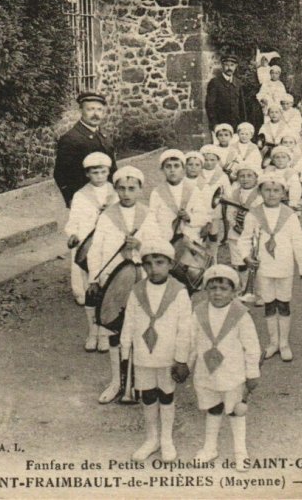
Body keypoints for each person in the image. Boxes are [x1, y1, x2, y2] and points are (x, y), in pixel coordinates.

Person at [173, 264, 261, 472]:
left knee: (235, 411)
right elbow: (191, 341)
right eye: (213, 288)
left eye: (224, 288)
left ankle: (240, 452)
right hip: (207, 373)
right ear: (206, 290)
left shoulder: (241, 314)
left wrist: (252, 373)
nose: (218, 293)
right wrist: (185, 363)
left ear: (234, 291)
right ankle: (210, 447)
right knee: (212, 408)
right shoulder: (199, 312)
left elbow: (252, 346)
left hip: (232, 374)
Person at [87, 166, 158, 404]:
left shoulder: (148, 214)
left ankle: (139, 380)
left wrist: (140, 243)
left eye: (131, 188)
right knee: (114, 329)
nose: (126, 193)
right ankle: (117, 381)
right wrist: (94, 278)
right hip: (114, 279)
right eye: (121, 188)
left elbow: (158, 246)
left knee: (140, 328)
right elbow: (96, 250)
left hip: (141, 277)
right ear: (115, 189)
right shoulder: (107, 216)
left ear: (140, 189)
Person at [119, 238, 191, 462]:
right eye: (148, 264)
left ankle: (167, 439)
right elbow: (129, 322)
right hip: (142, 355)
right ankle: (152, 438)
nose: (154, 269)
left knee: (166, 395)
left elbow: (184, 328)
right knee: (148, 396)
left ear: (170, 264)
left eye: (160, 263)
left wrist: (181, 359)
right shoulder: (137, 290)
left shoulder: (179, 291)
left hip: (167, 355)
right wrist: (125, 354)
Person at [239, 173, 302, 362]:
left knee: (284, 303)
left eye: (276, 190)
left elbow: (298, 242)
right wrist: (246, 257)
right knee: (269, 303)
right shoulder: (254, 213)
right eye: (267, 190)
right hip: (263, 267)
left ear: (283, 193)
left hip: (284, 266)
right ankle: (273, 343)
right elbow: (245, 238)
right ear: (260, 191)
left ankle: (284, 343)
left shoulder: (289, 215)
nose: (271, 194)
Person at [65, 152, 118, 345]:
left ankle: (104, 330)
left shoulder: (116, 192)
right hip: (87, 242)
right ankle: (91, 326)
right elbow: (73, 222)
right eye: (94, 172)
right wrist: (73, 235)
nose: (99, 176)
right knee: (88, 280)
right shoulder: (80, 196)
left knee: (106, 280)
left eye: (103, 172)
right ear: (87, 174)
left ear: (108, 172)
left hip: (107, 242)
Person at [54, 92, 118, 207]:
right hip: (85, 199)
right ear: (81, 111)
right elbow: (61, 174)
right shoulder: (71, 138)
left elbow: (113, 169)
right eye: (90, 109)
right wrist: (71, 199)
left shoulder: (104, 136)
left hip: (107, 197)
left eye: (99, 110)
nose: (95, 114)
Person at [225, 162, 263, 288]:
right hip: (236, 234)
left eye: (249, 176)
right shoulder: (234, 193)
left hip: (255, 234)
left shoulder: (261, 193)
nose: (245, 179)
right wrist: (236, 226)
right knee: (240, 264)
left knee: (256, 263)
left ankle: (258, 292)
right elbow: (230, 213)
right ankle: (243, 289)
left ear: (256, 177)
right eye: (242, 176)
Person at [206, 54, 247, 134]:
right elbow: (210, 105)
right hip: (220, 125)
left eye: (232, 65)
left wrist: (243, 124)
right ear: (222, 66)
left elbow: (242, 105)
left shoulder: (238, 83)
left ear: (236, 66)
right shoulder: (215, 82)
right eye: (226, 65)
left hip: (236, 125)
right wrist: (215, 124)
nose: (229, 68)